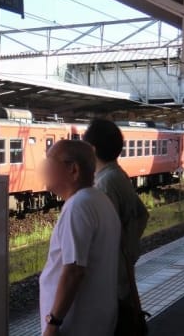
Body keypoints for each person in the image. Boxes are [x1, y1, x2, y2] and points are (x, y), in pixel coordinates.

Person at [39, 140, 122, 336]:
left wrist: (53, 322)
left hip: (76, 325)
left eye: (50, 164)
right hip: (95, 320)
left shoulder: (78, 206)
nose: (44, 171)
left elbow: (74, 271)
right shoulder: (99, 199)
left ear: (73, 169)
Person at [83, 119, 150, 334]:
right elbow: (142, 214)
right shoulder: (118, 175)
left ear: (92, 149)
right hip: (121, 272)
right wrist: (129, 250)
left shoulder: (104, 183)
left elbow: (104, 232)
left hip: (110, 277)